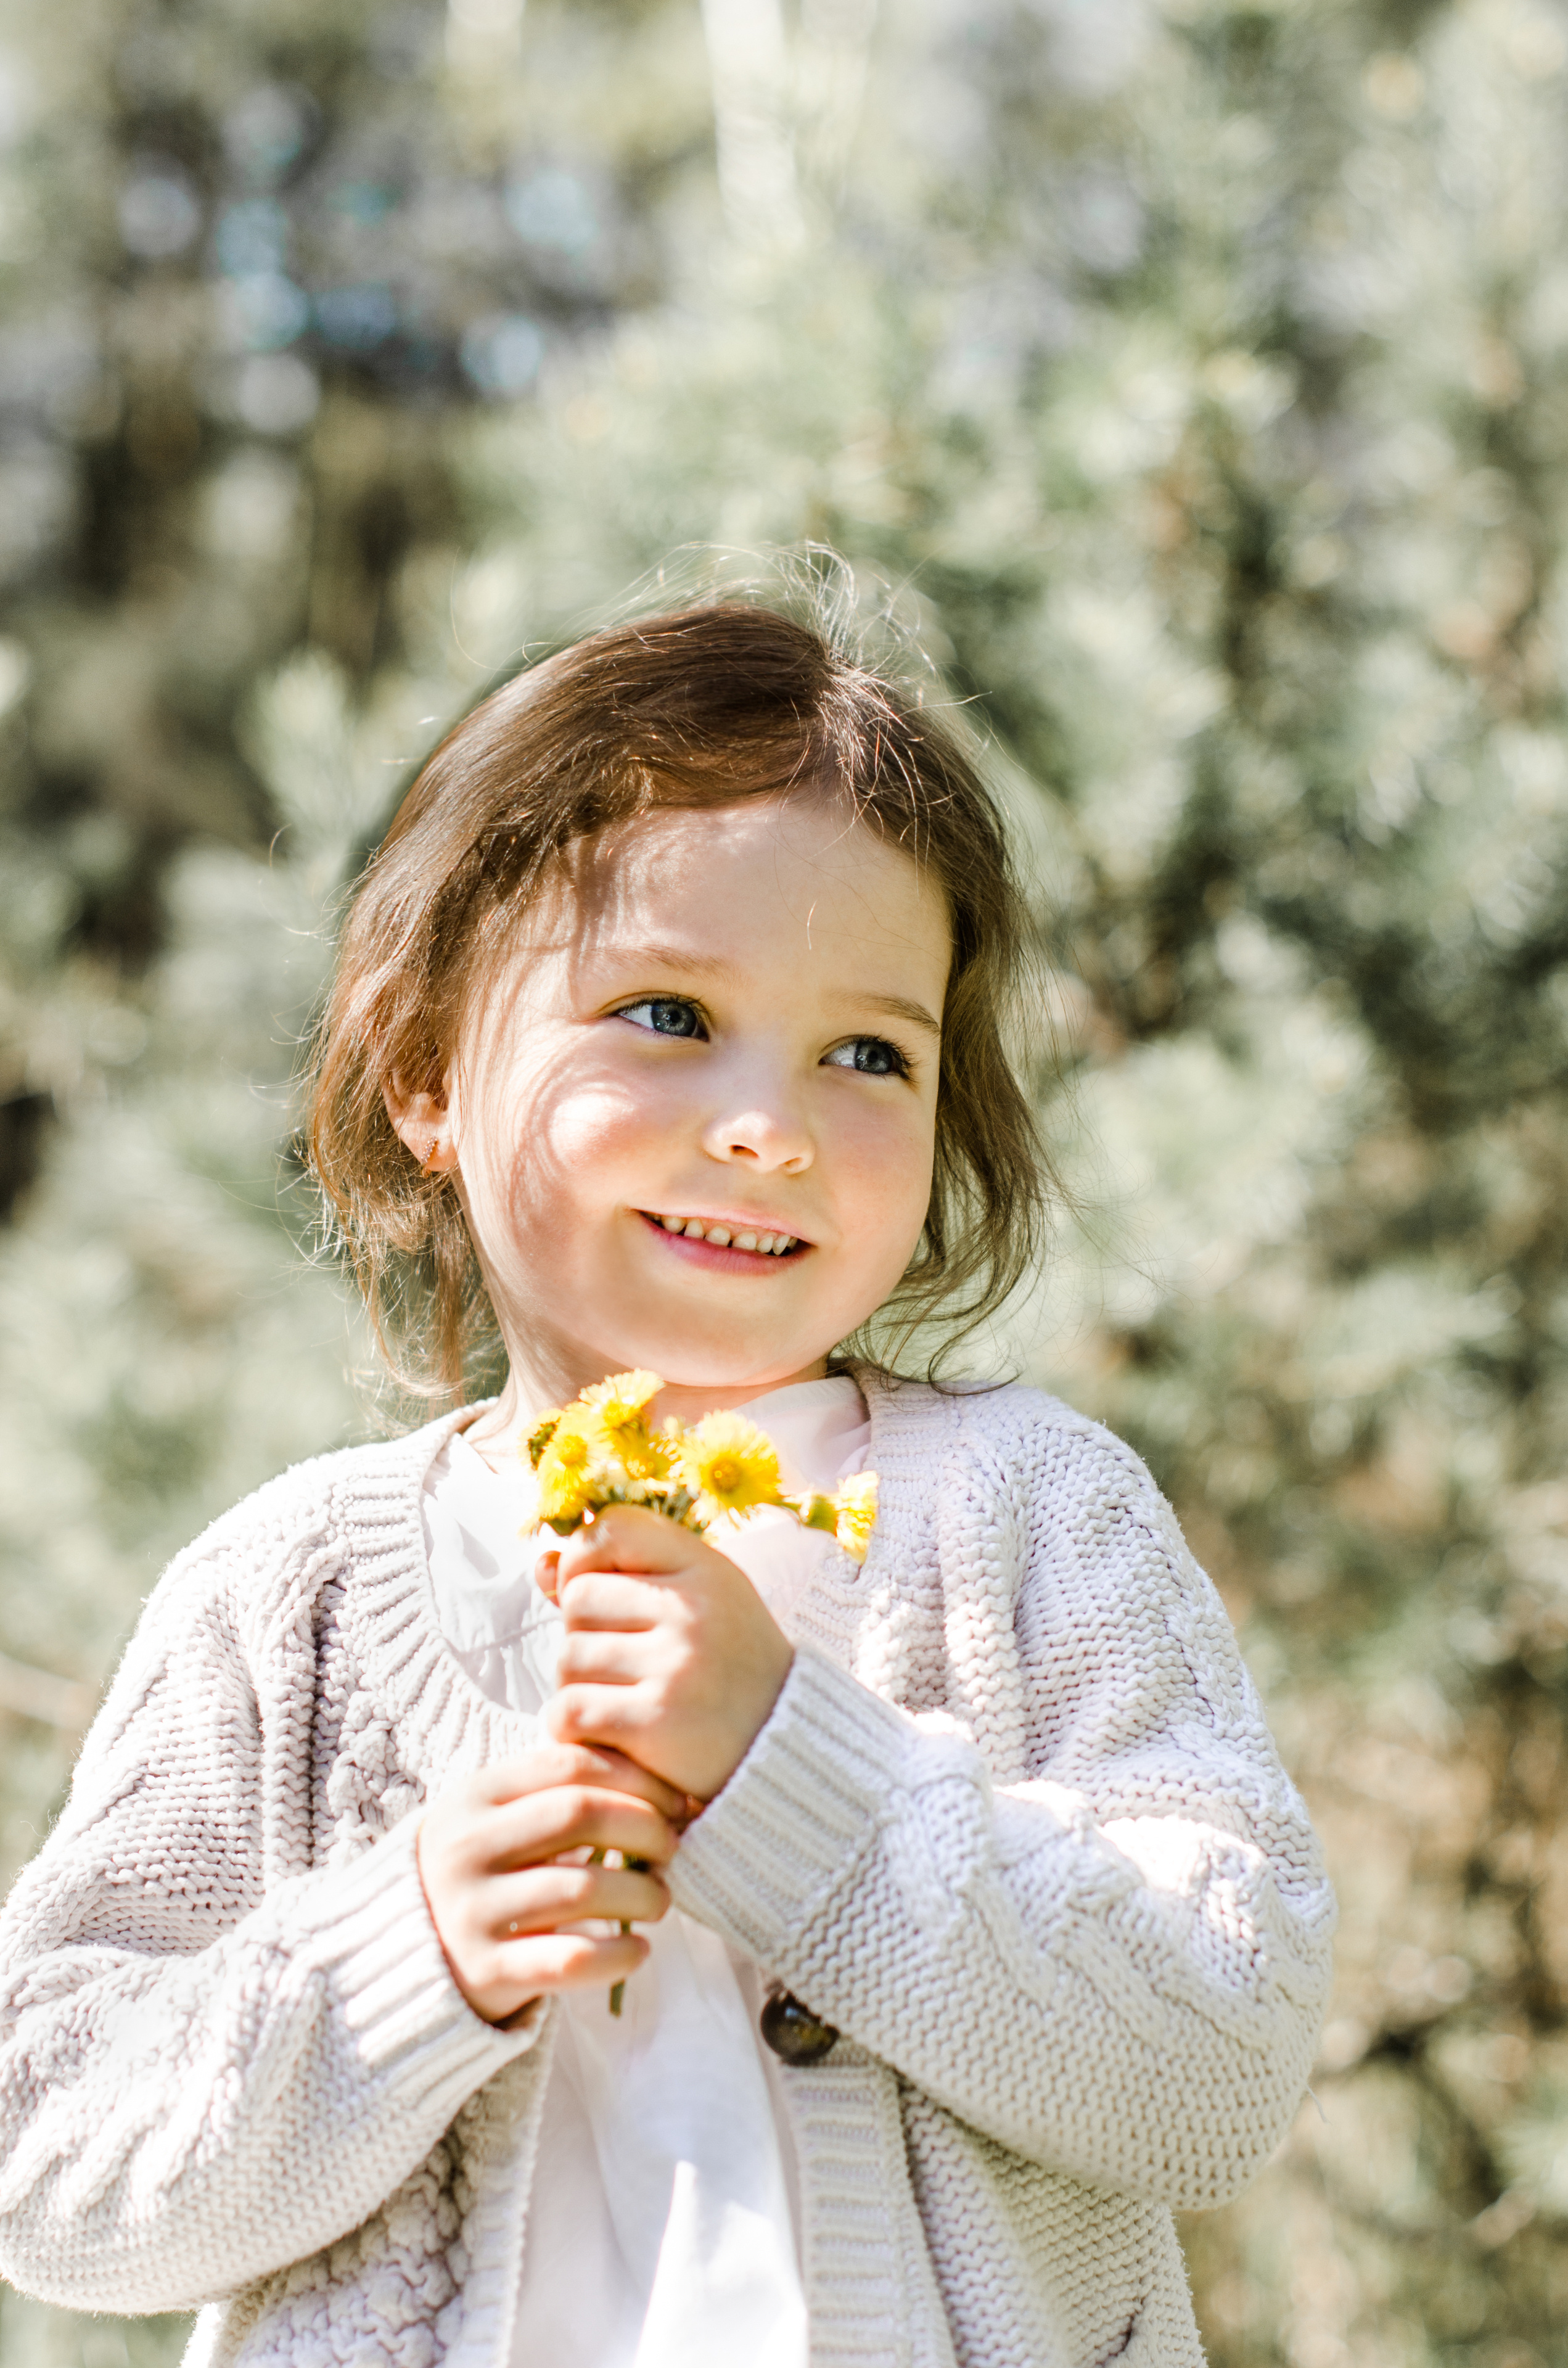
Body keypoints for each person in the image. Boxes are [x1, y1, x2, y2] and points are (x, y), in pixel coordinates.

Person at [0, 593, 1334, 2368]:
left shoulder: (1033, 1519)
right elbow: (51, 2164)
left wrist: (798, 1773)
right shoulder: (293, 1598)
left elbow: (1222, 2064)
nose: (770, 1123)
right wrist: (410, 1949)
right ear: (423, 1074)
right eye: (665, 1012)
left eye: (871, 1052)